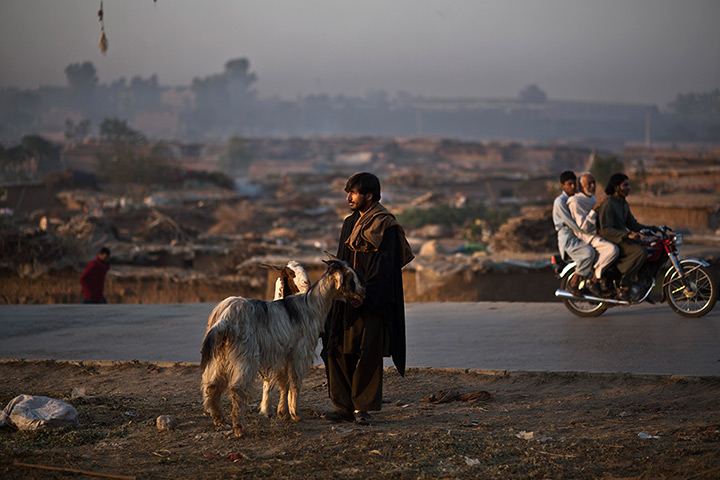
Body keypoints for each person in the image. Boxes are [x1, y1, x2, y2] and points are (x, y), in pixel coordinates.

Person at [321, 172, 414, 426]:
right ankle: (343, 406)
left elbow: (385, 270)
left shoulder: (386, 226)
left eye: (354, 193)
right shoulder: (349, 223)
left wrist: (365, 295)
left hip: (372, 301)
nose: (349, 197)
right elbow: (341, 260)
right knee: (335, 347)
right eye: (348, 192)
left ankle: (362, 408)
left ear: (369, 196)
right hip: (344, 299)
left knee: (367, 353)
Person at [596, 173, 655, 300]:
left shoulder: (623, 203)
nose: (628, 187)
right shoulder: (609, 204)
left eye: (628, 185)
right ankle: (625, 284)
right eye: (625, 185)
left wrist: (653, 228)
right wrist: (627, 235)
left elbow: (633, 224)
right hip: (614, 239)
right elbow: (606, 229)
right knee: (640, 252)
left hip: (623, 238)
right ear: (616, 187)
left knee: (650, 248)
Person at [567, 173, 620, 296]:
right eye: (589, 184)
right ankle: (595, 278)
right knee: (613, 250)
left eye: (594, 183)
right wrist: (594, 209)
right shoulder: (575, 201)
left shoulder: (591, 198)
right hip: (587, 237)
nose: (592, 186)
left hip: (597, 234)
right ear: (581, 186)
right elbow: (583, 227)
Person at [552, 170, 595, 295]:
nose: (573, 187)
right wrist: (589, 232)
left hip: (578, 235)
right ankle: (573, 283)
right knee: (588, 253)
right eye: (569, 184)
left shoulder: (575, 198)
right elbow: (572, 224)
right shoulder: (560, 202)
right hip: (569, 237)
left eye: (574, 184)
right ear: (562, 186)